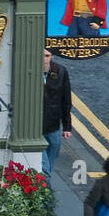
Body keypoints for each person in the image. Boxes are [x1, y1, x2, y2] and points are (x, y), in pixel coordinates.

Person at [41, 48, 72, 177]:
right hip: (35, 127)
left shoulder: (61, 71)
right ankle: (45, 181)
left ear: (52, 56)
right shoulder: (29, 70)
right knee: (45, 167)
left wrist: (67, 127)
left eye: (47, 56)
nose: (44, 59)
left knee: (53, 150)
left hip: (53, 125)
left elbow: (66, 100)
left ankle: (44, 179)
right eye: (42, 56)